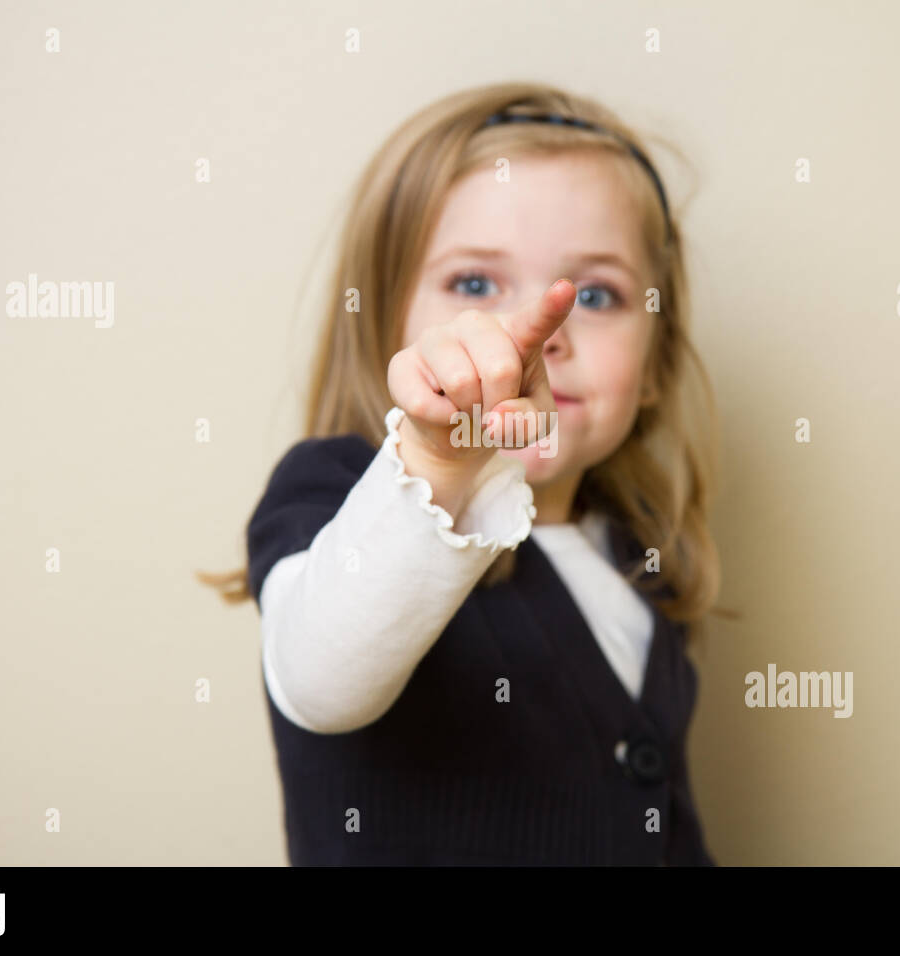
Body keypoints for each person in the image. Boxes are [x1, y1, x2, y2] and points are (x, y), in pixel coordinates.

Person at [200, 81, 731, 865]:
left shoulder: (640, 557)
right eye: (474, 284)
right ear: (386, 323)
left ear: (655, 364)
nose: (533, 335)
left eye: (595, 293)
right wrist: (443, 455)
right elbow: (320, 680)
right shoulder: (331, 490)